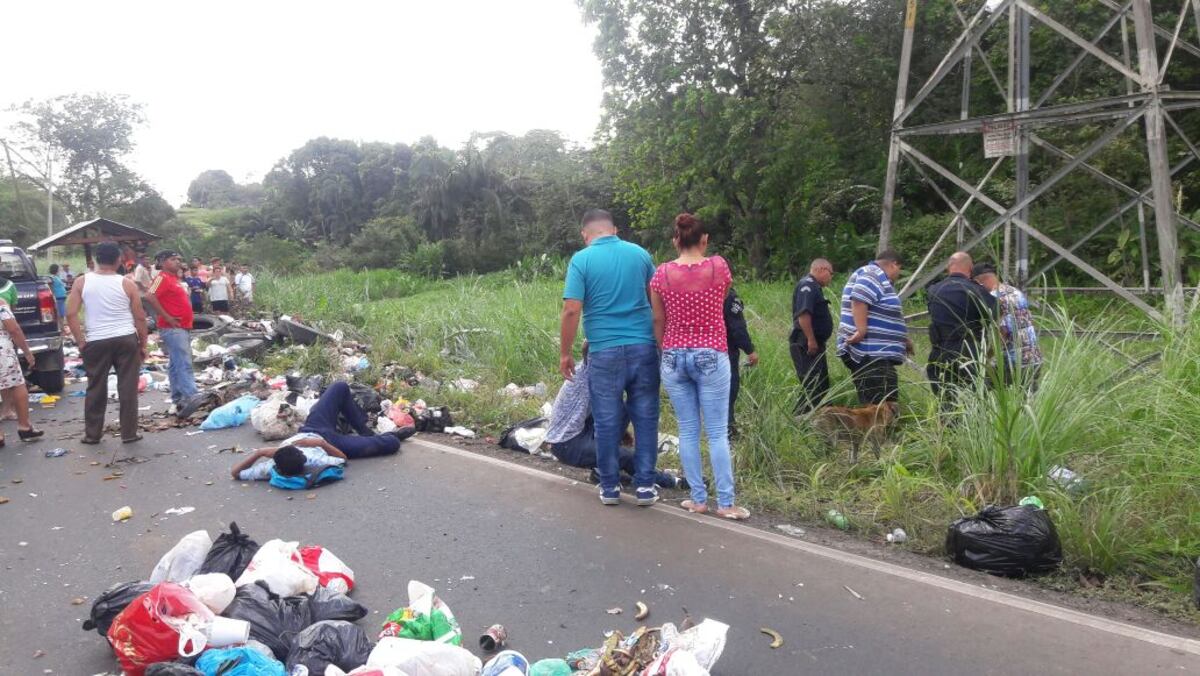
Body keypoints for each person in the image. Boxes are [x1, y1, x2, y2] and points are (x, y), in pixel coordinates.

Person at [651, 213, 750, 520]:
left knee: (688, 430)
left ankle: (697, 499)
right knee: (717, 432)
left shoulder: (661, 274)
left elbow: (658, 319)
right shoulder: (718, 267)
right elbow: (720, 302)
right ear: (704, 239)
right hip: (711, 352)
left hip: (673, 354)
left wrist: (666, 347)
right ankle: (726, 503)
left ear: (675, 241)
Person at [560, 208, 661, 507]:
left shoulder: (581, 260)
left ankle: (610, 486)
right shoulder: (640, 254)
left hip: (604, 351)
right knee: (645, 419)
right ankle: (645, 486)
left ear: (585, 233)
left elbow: (571, 310)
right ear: (614, 229)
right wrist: (661, 343)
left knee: (606, 421)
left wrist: (565, 353)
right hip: (644, 348)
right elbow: (656, 301)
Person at [546, 349, 686, 490]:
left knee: (628, 406)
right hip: (566, 443)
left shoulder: (592, 371)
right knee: (625, 456)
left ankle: (603, 470)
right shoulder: (589, 376)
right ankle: (672, 482)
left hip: (581, 431)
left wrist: (623, 432)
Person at [66, 241, 149, 444]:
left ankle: (92, 435)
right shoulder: (127, 283)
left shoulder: (81, 282)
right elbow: (140, 317)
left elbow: (70, 314)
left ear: (96, 260)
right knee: (128, 387)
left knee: (96, 387)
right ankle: (129, 433)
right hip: (125, 339)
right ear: (118, 260)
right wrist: (143, 344)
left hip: (96, 341)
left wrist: (80, 341)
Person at [836, 250, 913, 405]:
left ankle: (875, 429)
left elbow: (885, 313)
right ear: (893, 265)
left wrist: (904, 339)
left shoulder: (877, 277)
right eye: (899, 269)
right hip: (870, 355)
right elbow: (859, 299)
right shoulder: (872, 274)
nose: (898, 274)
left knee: (883, 406)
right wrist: (861, 330)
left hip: (876, 355)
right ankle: (876, 430)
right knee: (881, 409)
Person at [926, 252, 996, 407]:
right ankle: (973, 430)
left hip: (940, 352)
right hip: (969, 352)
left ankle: (948, 429)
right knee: (975, 400)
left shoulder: (933, 290)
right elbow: (995, 314)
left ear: (948, 268)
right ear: (970, 268)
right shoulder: (975, 290)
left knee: (945, 399)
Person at [143, 250, 198, 409]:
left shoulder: (174, 279)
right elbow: (149, 296)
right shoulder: (162, 278)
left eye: (179, 259)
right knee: (184, 362)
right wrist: (166, 317)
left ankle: (178, 398)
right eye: (173, 259)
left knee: (175, 364)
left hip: (181, 327)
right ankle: (192, 397)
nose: (178, 262)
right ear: (162, 262)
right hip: (173, 328)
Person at [972, 262, 1043, 385]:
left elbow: (1002, 334)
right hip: (1034, 359)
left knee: (980, 382)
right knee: (1027, 400)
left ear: (979, 282)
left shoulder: (994, 298)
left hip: (1014, 363)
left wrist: (986, 357)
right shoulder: (1016, 292)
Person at [790, 258, 835, 414]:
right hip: (806, 342)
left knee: (820, 384)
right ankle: (800, 420)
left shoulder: (815, 287)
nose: (831, 277)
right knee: (812, 385)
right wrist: (811, 339)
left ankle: (819, 421)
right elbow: (804, 315)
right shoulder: (807, 286)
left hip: (814, 342)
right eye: (831, 273)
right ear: (821, 269)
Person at [0, 296, 44, 447]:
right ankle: (24, 427)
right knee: (17, 385)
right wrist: (27, 352)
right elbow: (14, 329)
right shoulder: (0, 303)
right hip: (2, 353)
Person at [723, 288, 757, 434]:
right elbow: (737, 328)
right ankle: (728, 428)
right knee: (729, 389)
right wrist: (750, 350)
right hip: (726, 350)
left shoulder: (701, 291)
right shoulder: (728, 296)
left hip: (700, 348)